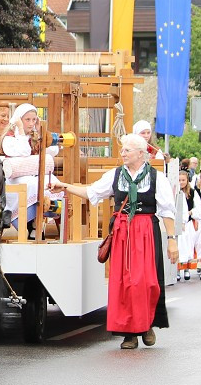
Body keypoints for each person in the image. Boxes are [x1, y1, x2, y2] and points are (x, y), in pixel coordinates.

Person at [52, 133, 177, 349]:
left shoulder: (157, 178)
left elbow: (167, 211)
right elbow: (92, 192)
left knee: (146, 281)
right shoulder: (116, 175)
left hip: (146, 231)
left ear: (141, 153)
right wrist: (65, 186)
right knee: (124, 282)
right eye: (122, 150)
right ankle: (129, 334)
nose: (123, 153)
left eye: (127, 150)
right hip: (123, 233)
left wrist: (172, 241)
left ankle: (146, 324)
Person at [0, 103, 63, 236]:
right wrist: (21, 131)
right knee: (34, 185)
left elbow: (53, 151)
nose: (31, 123)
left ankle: (40, 221)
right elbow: (24, 152)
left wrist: (41, 132)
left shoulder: (35, 137)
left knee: (52, 182)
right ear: (19, 120)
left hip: (34, 174)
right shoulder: (10, 138)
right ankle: (29, 223)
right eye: (27, 120)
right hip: (15, 177)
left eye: (34, 120)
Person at [174, 170, 197, 281]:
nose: (181, 182)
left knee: (188, 246)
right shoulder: (175, 192)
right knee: (179, 247)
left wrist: (191, 213)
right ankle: (177, 270)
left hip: (187, 223)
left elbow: (197, 207)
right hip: (178, 222)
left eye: (183, 180)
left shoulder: (191, 192)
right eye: (179, 180)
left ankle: (187, 269)